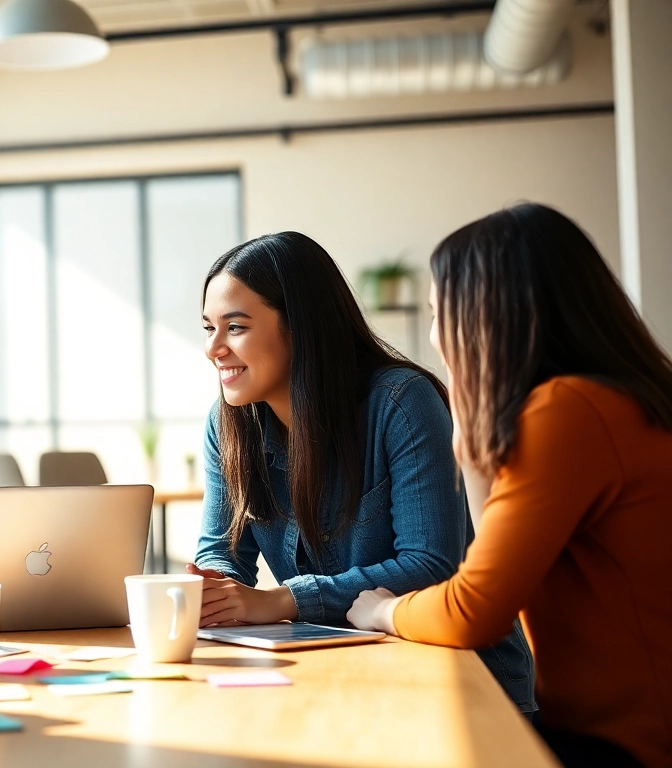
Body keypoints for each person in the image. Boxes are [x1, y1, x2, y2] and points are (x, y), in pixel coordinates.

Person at [348, 204, 672, 767]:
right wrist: (472, 444)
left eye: (437, 313)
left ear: (483, 315)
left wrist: (382, 611)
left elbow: (474, 611)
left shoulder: (569, 411)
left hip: (627, 744)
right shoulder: (615, 398)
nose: (433, 335)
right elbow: (491, 581)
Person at [191, 231, 535, 713]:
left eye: (236, 327)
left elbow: (431, 564)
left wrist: (282, 600)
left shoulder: (401, 402)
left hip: (459, 687)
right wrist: (212, 591)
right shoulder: (227, 423)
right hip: (336, 674)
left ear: (300, 327)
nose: (214, 349)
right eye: (209, 328)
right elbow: (222, 553)